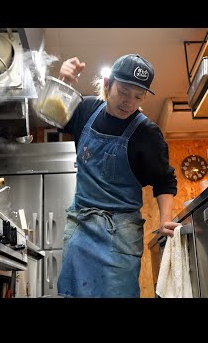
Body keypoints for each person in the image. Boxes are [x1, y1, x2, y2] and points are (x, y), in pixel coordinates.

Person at [56, 54, 181, 298]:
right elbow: (51, 115)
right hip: (81, 228)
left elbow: (164, 179)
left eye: (138, 96)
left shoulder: (147, 133)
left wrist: (165, 219)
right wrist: (63, 83)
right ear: (107, 83)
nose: (129, 102)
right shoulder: (85, 110)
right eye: (123, 91)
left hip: (120, 238)